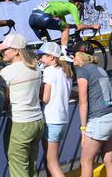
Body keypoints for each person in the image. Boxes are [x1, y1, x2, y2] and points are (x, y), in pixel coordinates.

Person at [0, 33, 44, 177]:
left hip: (19, 123)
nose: (1, 52)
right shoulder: (36, 68)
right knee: (31, 165)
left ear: (16, 51)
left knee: (18, 168)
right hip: (37, 121)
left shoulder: (6, 72)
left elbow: (5, 101)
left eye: (5, 49)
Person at [72, 41, 112, 177]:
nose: (73, 58)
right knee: (109, 159)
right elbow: (92, 90)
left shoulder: (82, 70)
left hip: (100, 119)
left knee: (86, 161)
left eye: (74, 55)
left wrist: (83, 129)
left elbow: (83, 101)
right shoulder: (98, 69)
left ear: (80, 56)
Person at [36, 42, 73, 177]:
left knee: (52, 164)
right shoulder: (65, 71)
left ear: (51, 57)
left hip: (51, 120)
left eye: (42, 56)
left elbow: (45, 98)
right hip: (62, 120)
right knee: (51, 161)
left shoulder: (49, 71)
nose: (40, 59)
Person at [28, 0, 99, 57]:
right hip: (43, 17)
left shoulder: (61, 6)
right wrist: (92, 26)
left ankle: (41, 64)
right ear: (77, 3)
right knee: (66, 28)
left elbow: (63, 25)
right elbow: (78, 26)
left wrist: (74, 26)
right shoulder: (72, 6)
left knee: (48, 47)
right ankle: (64, 53)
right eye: (81, 5)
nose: (80, 8)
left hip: (32, 19)